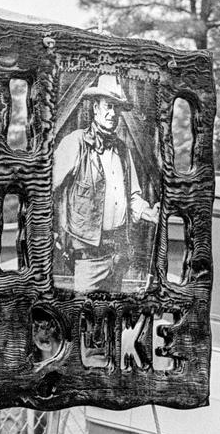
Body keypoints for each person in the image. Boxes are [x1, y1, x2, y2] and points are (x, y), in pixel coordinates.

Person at [53, 73, 159, 292]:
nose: (112, 114)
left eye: (117, 108)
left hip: (117, 256)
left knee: (111, 322)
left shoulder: (122, 150)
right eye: (108, 106)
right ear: (95, 108)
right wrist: (52, 233)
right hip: (87, 258)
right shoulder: (74, 143)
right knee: (82, 321)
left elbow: (132, 198)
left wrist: (149, 212)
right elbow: (46, 191)